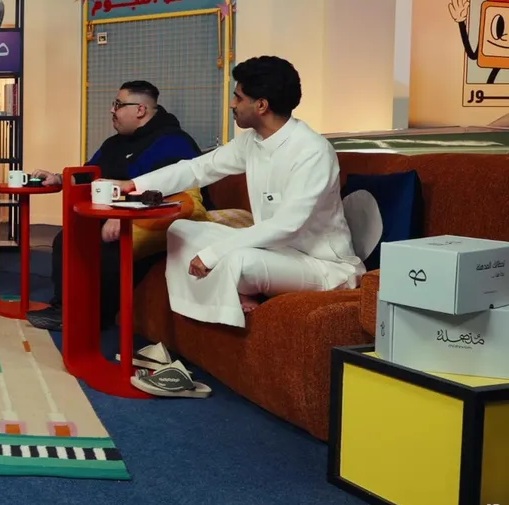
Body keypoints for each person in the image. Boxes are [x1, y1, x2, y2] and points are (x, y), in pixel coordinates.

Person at [114, 56, 364, 328]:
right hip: (274, 251)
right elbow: (199, 168)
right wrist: (134, 185)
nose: (232, 104)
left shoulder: (312, 151)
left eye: (238, 97)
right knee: (181, 231)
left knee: (239, 261)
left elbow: (286, 225)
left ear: (261, 105)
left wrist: (213, 254)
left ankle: (229, 303)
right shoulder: (252, 142)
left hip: (322, 265)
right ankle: (225, 297)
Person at [26, 80, 205, 331]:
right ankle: (65, 307)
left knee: (109, 246)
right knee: (66, 238)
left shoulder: (174, 142)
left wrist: (124, 216)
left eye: (118, 105)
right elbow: (90, 173)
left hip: (160, 218)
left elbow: (173, 195)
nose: (112, 110)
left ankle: (94, 316)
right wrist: (58, 178)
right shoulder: (115, 143)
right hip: (117, 215)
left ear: (140, 110)